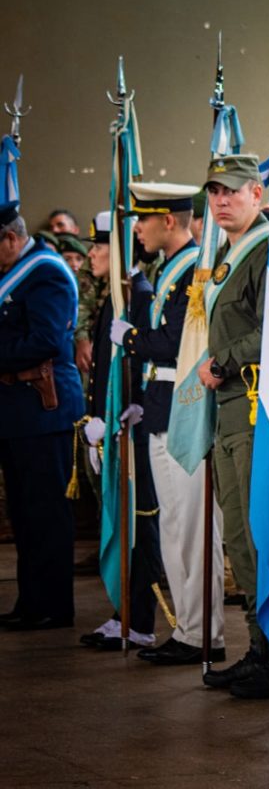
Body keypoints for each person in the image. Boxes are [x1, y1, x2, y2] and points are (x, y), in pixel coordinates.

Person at [197, 154, 269, 698]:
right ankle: (260, 651)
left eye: (232, 192)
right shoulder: (225, 253)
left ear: (259, 194)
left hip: (255, 410)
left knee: (263, 535)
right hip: (230, 413)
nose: (221, 201)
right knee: (241, 541)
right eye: (214, 193)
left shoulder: (267, 250)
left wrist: (223, 363)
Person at [116, 183, 226, 666]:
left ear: (168, 220)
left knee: (194, 529)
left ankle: (204, 633)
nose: (136, 228)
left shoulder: (195, 270)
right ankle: (187, 628)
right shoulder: (168, 269)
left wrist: (133, 337)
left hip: (186, 408)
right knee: (175, 527)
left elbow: (176, 342)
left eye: (143, 219)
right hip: (161, 407)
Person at [75, 210, 161, 650]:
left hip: (135, 429)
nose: (91, 254)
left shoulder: (138, 295)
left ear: (121, 249)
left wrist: (129, 411)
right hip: (112, 427)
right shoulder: (115, 296)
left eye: (99, 246)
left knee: (140, 523)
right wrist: (96, 417)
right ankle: (124, 611)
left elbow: (141, 361)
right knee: (124, 519)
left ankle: (140, 619)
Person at [0, 201, 84, 630]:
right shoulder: (17, 271)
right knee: (25, 513)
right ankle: (31, 602)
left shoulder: (45, 272)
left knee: (46, 513)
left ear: (11, 239)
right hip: (18, 413)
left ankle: (52, 605)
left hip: (43, 409)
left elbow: (47, 341)